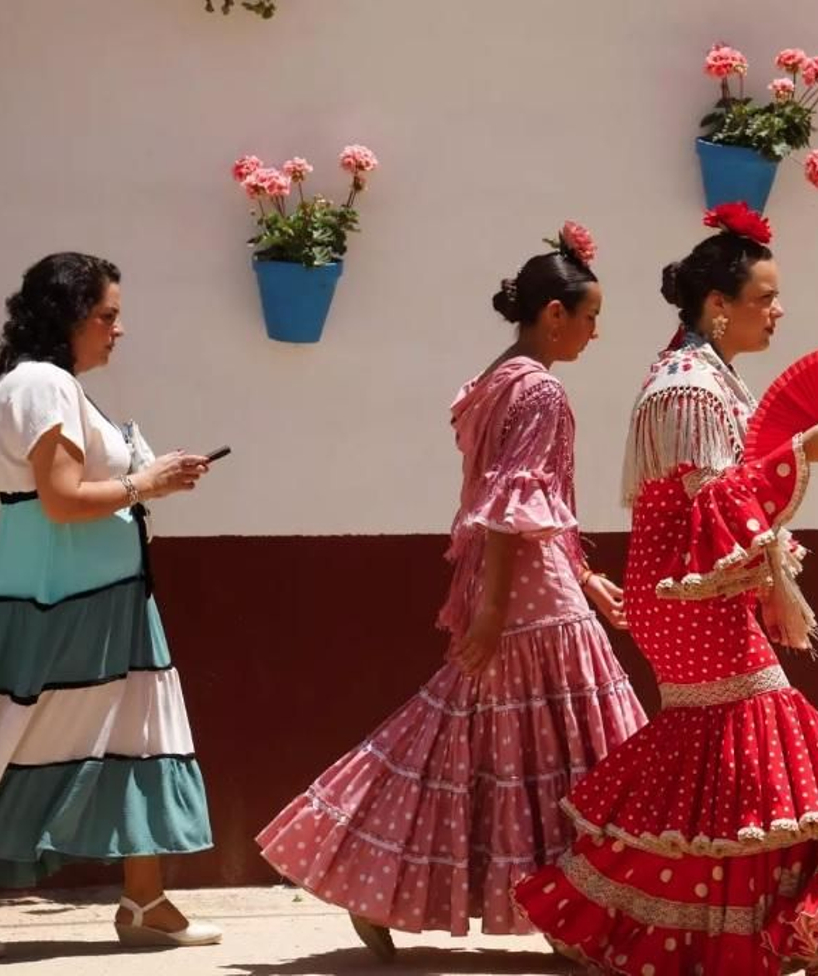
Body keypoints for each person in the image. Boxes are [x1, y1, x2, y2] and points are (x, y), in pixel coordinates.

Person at [514, 205, 818, 974]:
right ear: (717, 307)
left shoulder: (706, 376)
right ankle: (679, 918)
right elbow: (718, 504)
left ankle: (710, 922)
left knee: (728, 754)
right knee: (750, 743)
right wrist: (801, 448)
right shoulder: (689, 385)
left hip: (697, 598)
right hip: (687, 602)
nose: (778, 311)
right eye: (764, 298)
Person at [256, 222, 647, 959]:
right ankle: (578, 914)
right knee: (591, 751)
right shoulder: (542, 395)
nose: (596, 334)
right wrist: (502, 608)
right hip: (529, 599)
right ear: (554, 315)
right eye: (590, 317)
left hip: (520, 587)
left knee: (474, 741)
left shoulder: (492, 384)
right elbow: (510, 506)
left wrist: (585, 576)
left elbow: (519, 503)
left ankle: (366, 874)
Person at [0, 252, 220, 961]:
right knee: (13, 738)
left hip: (104, 599)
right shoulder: (43, 385)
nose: (119, 329)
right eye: (107, 315)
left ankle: (145, 899)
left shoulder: (49, 387)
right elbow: (62, 498)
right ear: (69, 316)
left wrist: (150, 478)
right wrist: (150, 482)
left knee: (141, 733)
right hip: (60, 601)